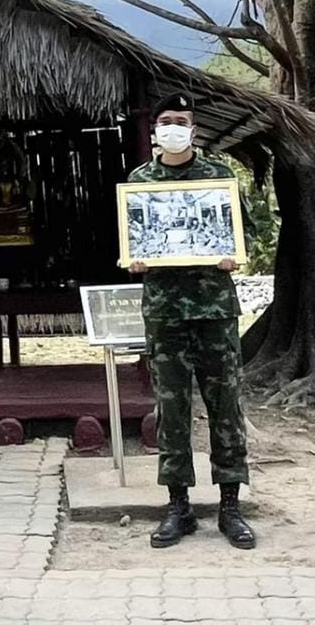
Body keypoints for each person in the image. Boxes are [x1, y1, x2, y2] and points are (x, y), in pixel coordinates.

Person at [125, 93, 255, 550]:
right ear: (156, 130)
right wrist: (136, 260)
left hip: (215, 311)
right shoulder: (141, 181)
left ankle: (231, 506)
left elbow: (245, 232)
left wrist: (234, 255)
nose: (174, 127)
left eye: (182, 120)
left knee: (225, 408)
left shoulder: (218, 177)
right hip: (165, 314)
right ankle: (178, 506)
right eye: (167, 120)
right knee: (172, 410)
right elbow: (133, 236)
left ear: (194, 130)